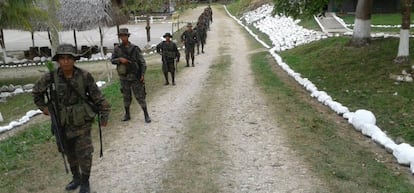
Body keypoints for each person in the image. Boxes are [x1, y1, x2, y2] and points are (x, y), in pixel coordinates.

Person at [32, 43, 111, 193]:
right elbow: (36, 92)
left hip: (82, 122)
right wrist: (44, 108)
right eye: (62, 58)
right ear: (58, 60)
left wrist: (104, 114)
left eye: (69, 58)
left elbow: (98, 97)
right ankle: (76, 178)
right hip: (62, 122)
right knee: (69, 152)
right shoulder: (51, 77)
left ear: (74, 60)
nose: (66, 61)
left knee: (85, 153)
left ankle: (85, 182)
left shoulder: (84, 76)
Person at [111, 28, 151, 123]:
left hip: (135, 76)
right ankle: (127, 114)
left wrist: (142, 74)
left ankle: (146, 115)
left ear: (128, 36)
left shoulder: (135, 48)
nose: (123, 37)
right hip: (124, 77)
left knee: (140, 96)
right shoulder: (117, 49)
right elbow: (112, 60)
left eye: (124, 35)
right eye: (121, 36)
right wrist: (120, 60)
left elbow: (142, 62)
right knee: (126, 96)